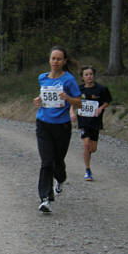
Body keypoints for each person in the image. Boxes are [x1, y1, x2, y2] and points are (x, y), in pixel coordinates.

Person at [33, 46, 81, 213]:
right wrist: (38, 99)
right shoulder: (42, 78)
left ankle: (60, 179)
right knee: (47, 162)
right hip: (43, 124)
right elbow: (44, 95)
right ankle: (45, 199)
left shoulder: (69, 80)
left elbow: (79, 102)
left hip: (62, 126)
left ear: (64, 61)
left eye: (59, 59)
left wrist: (68, 98)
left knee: (58, 162)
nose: (55, 62)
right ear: (49, 60)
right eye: (53, 58)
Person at [70, 66, 112, 181]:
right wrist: (72, 113)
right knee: (86, 145)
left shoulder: (101, 89)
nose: (89, 76)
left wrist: (101, 108)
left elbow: (107, 101)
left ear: (94, 75)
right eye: (86, 75)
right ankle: (87, 170)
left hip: (95, 121)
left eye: (91, 74)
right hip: (83, 121)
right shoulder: (79, 90)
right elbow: (73, 102)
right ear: (83, 77)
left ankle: (88, 155)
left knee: (93, 149)